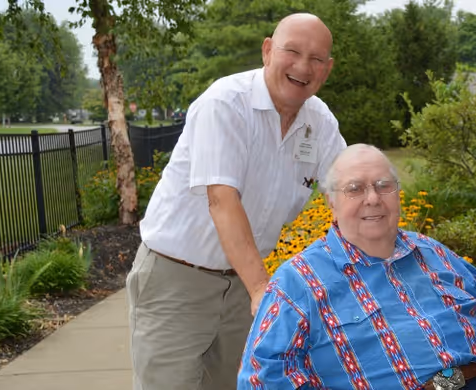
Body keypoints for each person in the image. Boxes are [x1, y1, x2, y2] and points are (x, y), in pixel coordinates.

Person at [237, 144, 476, 390]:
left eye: (383, 185)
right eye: (355, 188)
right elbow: (262, 377)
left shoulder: (434, 253)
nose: (372, 198)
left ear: (397, 193)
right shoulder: (298, 282)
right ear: (332, 201)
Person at [125, 13, 347, 390]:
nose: (302, 66)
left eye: (315, 59)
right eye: (291, 51)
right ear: (267, 51)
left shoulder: (319, 121)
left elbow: (347, 190)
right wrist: (262, 290)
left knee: (244, 385)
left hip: (244, 284)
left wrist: (383, 255)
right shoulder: (225, 103)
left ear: (327, 69)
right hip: (176, 280)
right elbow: (222, 201)